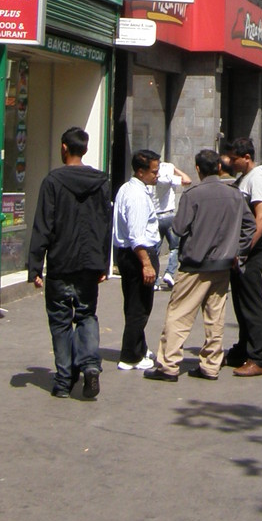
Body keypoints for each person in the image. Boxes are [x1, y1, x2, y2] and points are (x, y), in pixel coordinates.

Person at [26, 126, 113, 401]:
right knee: (86, 315)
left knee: (60, 322)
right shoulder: (101, 182)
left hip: (61, 264)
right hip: (89, 264)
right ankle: (89, 366)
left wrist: (35, 266)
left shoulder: (53, 181)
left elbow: (43, 225)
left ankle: (63, 381)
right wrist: (103, 263)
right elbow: (104, 224)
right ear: (84, 149)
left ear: (64, 147)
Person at [145, 150, 247, 382]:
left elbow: (179, 229)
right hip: (222, 264)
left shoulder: (194, 195)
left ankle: (169, 364)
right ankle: (211, 365)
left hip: (195, 264)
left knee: (179, 313)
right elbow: (248, 225)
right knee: (215, 315)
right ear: (219, 168)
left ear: (199, 169)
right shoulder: (234, 194)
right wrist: (236, 249)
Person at [224, 137, 262, 378]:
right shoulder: (244, 179)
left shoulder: (258, 178)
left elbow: (261, 218)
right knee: (241, 304)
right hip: (239, 253)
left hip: (249, 254)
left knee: (251, 304)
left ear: (246, 158)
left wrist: (244, 250)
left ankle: (257, 358)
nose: (230, 162)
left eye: (234, 159)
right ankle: (242, 349)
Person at [113, 150, 161, 372]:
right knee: (139, 307)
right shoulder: (137, 196)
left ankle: (139, 347)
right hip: (138, 254)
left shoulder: (128, 188)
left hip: (129, 254)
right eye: (153, 171)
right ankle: (130, 355)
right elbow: (136, 235)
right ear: (141, 172)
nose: (157, 175)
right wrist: (146, 263)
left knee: (134, 304)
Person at [153, 159, 191, 290]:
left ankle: (155, 281)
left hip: (155, 216)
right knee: (175, 247)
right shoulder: (170, 178)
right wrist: (175, 169)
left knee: (155, 250)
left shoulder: (153, 179)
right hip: (169, 215)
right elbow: (187, 180)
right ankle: (169, 272)